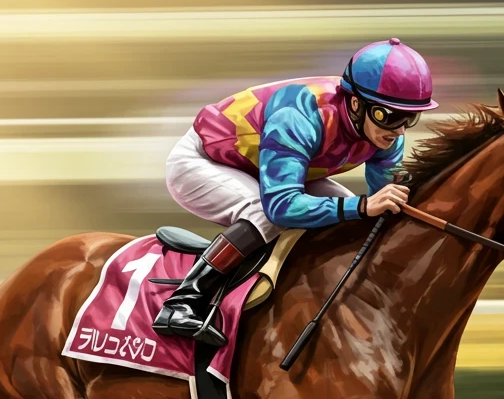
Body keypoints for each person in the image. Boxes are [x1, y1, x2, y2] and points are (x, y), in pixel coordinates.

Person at [153, 38, 437, 346]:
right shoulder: (301, 114)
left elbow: (384, 201)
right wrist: (363, 205)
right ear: (356, 103)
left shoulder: (386, 131)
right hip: (204, 160)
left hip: (280, 165)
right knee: (264, 215)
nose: (399, 130)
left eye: (410, 117)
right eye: (389, 116)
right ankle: (183, 301)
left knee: (354, 217)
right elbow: (281, 206)